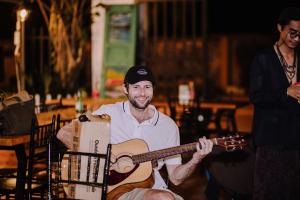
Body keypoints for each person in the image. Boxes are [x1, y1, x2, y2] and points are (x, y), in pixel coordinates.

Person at [57, 65, 213, 200]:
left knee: (165, 197)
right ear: (125, 89)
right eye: (136, 87)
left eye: (147, 86)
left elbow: (176, 178)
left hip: (151, 188)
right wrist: (99, 152)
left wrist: (195, 159)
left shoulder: (168, 126)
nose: (142, 93)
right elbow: (63, 132)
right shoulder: (108, 113)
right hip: (112, 189)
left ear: (153, 89)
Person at [249, 7, 300, 200]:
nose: (296, 38)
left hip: (296, 141)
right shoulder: (263, 59)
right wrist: (286, 92)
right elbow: (256, 96)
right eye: (292, 32)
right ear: (280, 27)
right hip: (270, 141)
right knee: (268, 192)